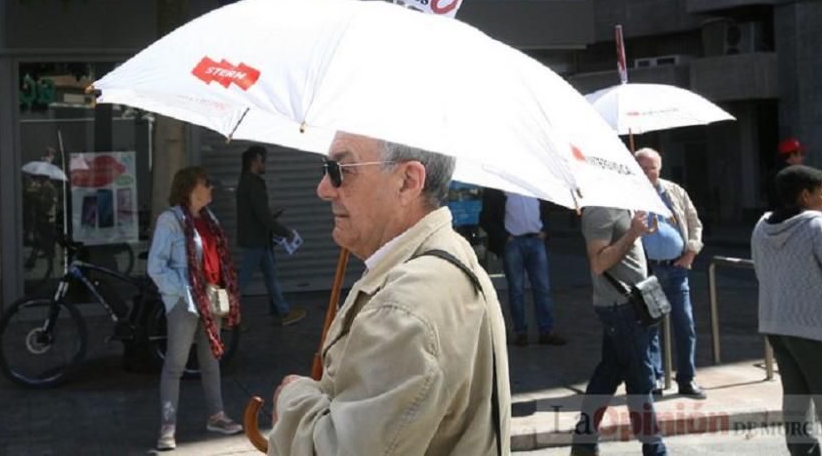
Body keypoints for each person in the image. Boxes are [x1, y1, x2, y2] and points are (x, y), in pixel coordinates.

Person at [269, 132, 510, 455]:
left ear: (407, 182)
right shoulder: (448, 256)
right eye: (325, 169)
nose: (324, 188)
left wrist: (293, 398)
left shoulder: (406, 304)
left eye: (342, 170)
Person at [752, 165, 822, 456]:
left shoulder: (761, 226)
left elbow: (761, 271)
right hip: (817, 328)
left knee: (796, 404)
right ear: (805, 195)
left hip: (776, 324)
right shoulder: (816, 225)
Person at [147, 166, 243, 451]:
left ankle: (217, 416)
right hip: (186, 302)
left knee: (211, 360)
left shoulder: (208, 218)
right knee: (175, 365)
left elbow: (216, 258)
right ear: (190, 188)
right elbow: (156, 266)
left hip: (210, 298)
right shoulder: (171, 220)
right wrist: (182, 291)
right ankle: (167, 427)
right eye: (206, 183)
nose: (211, 188)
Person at [572, 207, 666, 456]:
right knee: (640, 377)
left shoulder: (621, 202)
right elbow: (599, 263)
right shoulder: (599, 210)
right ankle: (654, 448)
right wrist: (632, 234)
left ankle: (583, 442)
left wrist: (640, 231)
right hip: (620, 307)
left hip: (632, 305)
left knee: (609, 374)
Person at [634, 147, 706, 399]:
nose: (647, 172)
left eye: (651, 167)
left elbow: (695, 223)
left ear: (659, 168)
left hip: (677, 268)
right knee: (651, 327)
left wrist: (691, 252)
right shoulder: (629, 195)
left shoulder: (674, 191)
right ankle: (653, 379)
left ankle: (687, 379)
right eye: (641, 167)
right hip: (649, 270)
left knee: (684, 325)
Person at [480, 188, 566, 346]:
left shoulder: (532, 185)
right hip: (513, 243)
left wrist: (545, 230)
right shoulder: (498, 190)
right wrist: (504, 238)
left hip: (536, 240)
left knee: (543, 288)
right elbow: (485, 219)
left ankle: (546, 330)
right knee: (516, 290)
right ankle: (520, 332)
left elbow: (547, 208)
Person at [235, 145, 306, 327]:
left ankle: (282, 311)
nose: (265, 164)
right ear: (254, 162)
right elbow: (261, 215)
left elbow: (256, 213)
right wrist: (284, 231)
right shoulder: (253, 183)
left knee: (271, 275)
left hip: (259, 238)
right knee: (242, 281)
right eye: (262, 160)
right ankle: (228, 317)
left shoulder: (246, 182)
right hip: (255, 239)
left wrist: (270, 217)